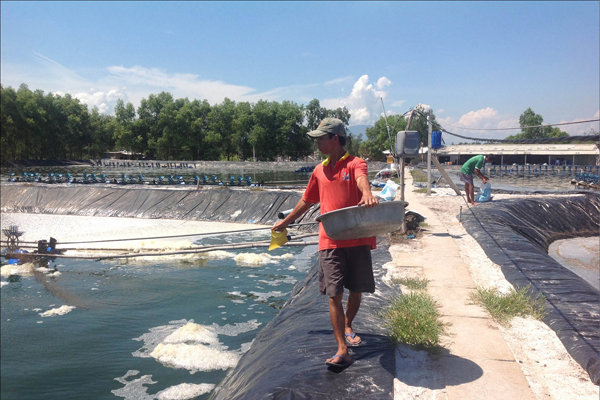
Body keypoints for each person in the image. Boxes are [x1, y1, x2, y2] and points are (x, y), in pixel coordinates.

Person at [272, 117, 379, 369]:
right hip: (329, 240)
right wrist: (285, 222)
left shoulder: (355, 163)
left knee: (356, 289)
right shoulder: (319, 170)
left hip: (358, 237)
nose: (317, 142)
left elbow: (362, 179)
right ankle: (342, 348)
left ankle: (349, 324)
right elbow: (306, 201)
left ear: (335, 138)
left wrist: (367, 193)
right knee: (334, 294)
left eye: (321, 138)